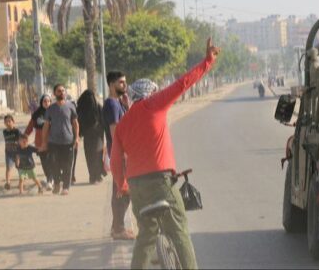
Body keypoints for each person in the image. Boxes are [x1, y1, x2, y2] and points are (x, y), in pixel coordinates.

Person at [111, 37, 221, 269]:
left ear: (131, 97)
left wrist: (122, 185)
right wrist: (207, 62)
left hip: (136, 187)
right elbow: (183, 83)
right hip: (161, 181)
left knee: (146, 236)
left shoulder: (122, 123)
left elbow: (115, 160)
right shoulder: (156, 103)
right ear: (151, 93)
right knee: (178, 230)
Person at [103, 71, 135, 241]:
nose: (125, 85)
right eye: (121, 82)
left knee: (123, 190)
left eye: (125, 82)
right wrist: (124, 154)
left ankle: (117, 226)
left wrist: (127, 106)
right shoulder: (111, 105)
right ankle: (118, 229)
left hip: (122, 153)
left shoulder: (119, 103)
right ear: (112, 84)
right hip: (119, 153)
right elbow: (116, 132)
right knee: (121, 191)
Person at [41, 84, 79, 195]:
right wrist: (44, 142)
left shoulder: (71, 106)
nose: (61, 92)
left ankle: (66, 187)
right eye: (59, 91)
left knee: (67, 165)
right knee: (54, 164)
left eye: (63, 90)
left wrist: (76, 138)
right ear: (54, 93)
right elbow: (46, 126)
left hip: (68, 141)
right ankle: (57, 183)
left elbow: (75, 123)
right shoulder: (50, 109)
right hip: (54, 142)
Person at [77, 90, 106, 184]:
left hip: (91, 136)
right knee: (96, 156)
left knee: (91, 157)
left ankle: (94, 176)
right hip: (96, 136)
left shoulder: (83, 108)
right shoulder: (96, 107)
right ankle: (95, 176)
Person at [25, 95, 53, 191]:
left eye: (48, 101)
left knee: (51, 161)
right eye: (44, 101)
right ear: (41, 102)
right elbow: (30, 126)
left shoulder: (54, 112)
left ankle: (50, 180)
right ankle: (49, 178)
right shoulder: (36, 114)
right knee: (44, 162)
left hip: (52, 141)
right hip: (40, 142)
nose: (46, 103)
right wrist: (25, 136)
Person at [2, 114, 21, 190]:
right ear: (4, 123)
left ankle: (21, 182)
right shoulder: (4, 131)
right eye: (6, 122)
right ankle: (8, 183)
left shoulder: (17, 131)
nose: (8, 123)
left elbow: (21, 140)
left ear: (13, 122)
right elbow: (6, 141)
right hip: (8, 153)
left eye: (9, 121)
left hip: (17, 153)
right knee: (8, 168)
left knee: (19, 167)